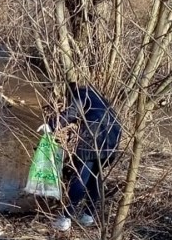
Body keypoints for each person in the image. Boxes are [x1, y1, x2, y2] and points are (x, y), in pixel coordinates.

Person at [41, 81, 121, 232]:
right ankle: (88, 216)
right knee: (95, 176)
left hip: (95, 138)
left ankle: (65, 218)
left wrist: (51, 125)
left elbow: (72, 112)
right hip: (113, 137)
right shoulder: (98, 97)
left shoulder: (81, 94)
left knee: (80, 177)